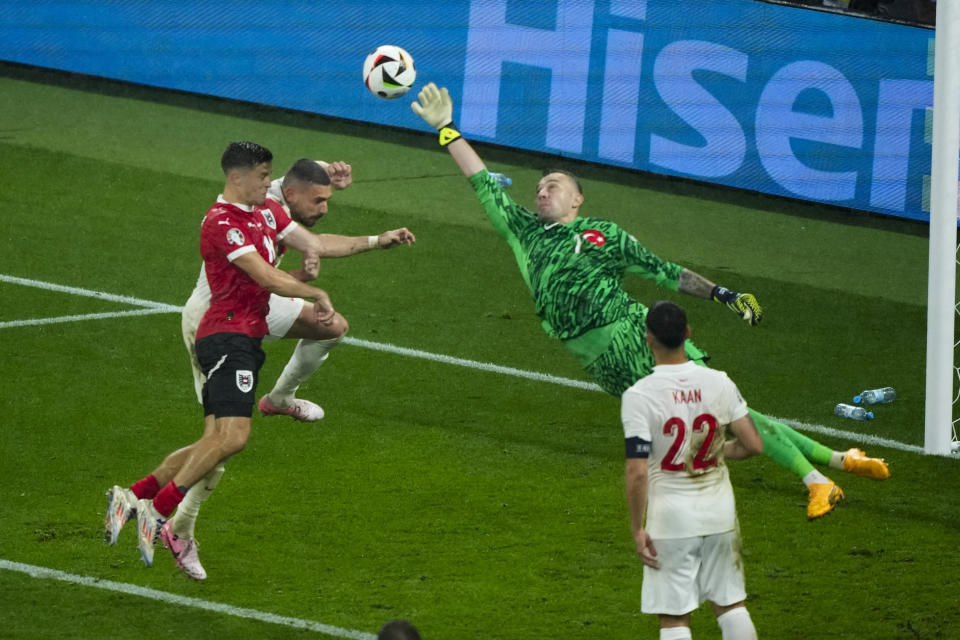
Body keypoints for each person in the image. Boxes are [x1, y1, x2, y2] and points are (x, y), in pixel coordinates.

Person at [409, 82, 889, 521]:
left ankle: (819, 480)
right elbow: (481, 180)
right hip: (604, 367)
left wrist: (723, 294)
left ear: (577, 200)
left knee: (727, 417)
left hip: (639, 340)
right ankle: (843, 460)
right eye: (538, 187)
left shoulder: (603, 235)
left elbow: (665, 271)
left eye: (553, 186)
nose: (542, 191)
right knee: (724, 421)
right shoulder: (524, 232)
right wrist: (447, 130)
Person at [103, 142, 413, 576]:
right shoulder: (225, 219)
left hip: (254, 313)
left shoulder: (268, 207)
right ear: (246, 178)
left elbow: (313, 231)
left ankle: (139, 495)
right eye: (266, 178)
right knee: (223, 441)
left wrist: (379, 238)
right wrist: (313, 289)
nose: (271, 184)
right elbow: (268, 272)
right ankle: (173, 521)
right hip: (219, 321)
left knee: (329, 331)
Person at [623, 301, 762, 640]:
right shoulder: (719, 382)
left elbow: (638, 471)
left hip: (671, 521)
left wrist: (636, 528)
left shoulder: (639, 395)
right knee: (731, 604)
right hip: (720, 515)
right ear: (688, 334)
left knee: (674, 617)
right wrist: (713, 450)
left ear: (648, 339)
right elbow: (753, 445)